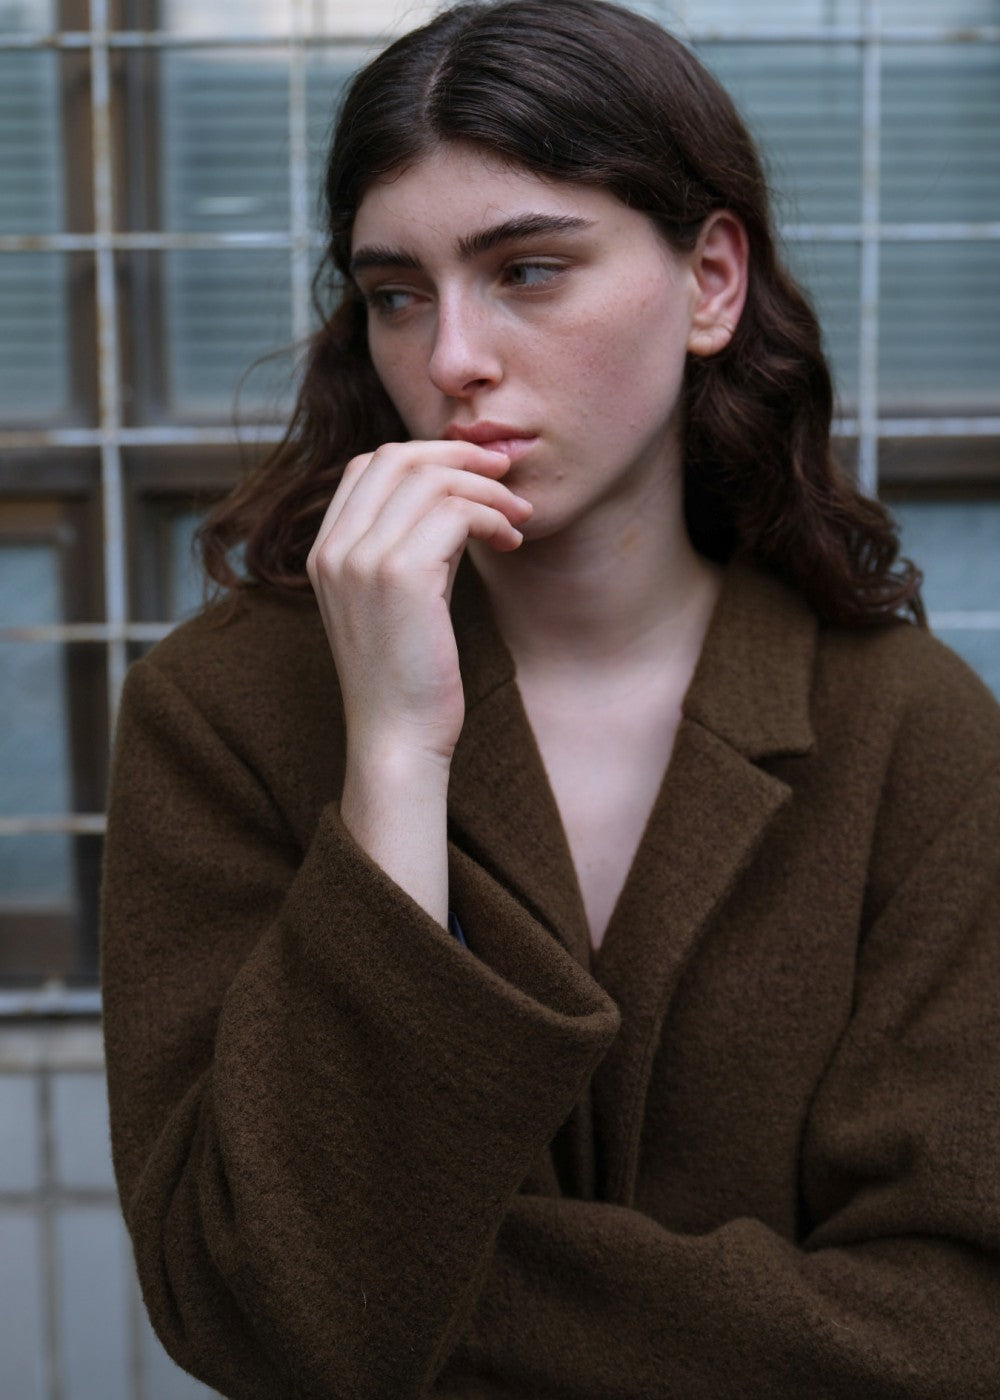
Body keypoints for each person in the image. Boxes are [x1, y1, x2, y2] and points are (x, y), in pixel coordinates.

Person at [101, 2, 1000, 1396]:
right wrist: (394, 755)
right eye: (397, 293)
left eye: (527, 270)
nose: (452, 356)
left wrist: (435, 1299)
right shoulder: (220, 713)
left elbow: (954, 1324)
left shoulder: (914, 731)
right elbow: (252, 1311)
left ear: (711, 283)